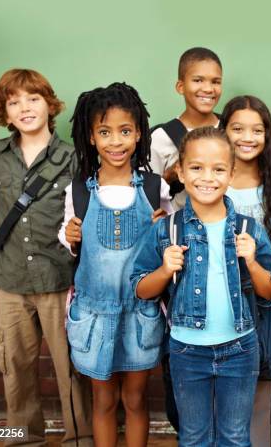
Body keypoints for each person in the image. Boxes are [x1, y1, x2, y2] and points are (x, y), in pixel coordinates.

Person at [132, 126, 271, 447]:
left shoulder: (248, 229)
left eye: (218, 169)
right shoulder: (167, 230)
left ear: (231, 173)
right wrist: (164, 270)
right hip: (186, 351)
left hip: (240, 349)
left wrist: (253, 262)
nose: (207, 177)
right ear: (181, 173)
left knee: (234, 437)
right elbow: (140, 288)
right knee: (194, 437)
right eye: (197, 168)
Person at [0, 68, 93, 446]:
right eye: (14, 102)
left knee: (71, 368)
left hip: (60, 276)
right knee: (15, 367)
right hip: (9, 279)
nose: (24, 108)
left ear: (49, 104)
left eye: (33, 98)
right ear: (5, 112)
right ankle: (23, 438)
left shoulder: (72, 156)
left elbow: (82, 211)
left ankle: (80, 437)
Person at [60, 82, 171, 447]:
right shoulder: (78, 190)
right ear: (91, 137)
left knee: (136, 400)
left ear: (139, 133)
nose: (116, 142)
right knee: (104, 401)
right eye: (104, 132)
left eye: (125, 131)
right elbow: (70, 236)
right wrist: (69, 235)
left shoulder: (155, 189)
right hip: (94, 315)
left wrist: (162, 232)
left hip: (141, 313)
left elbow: (171, 241)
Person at [219, 95, 271, 446]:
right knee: (220, 396)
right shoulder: (210, 182)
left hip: (264, 303)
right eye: (237, 129)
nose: (247, 137)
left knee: (261, 397)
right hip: (218, 301)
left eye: (257, 130)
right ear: (223, 132)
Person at [149, 47, 223, 210]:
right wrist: (169, 176)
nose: (208, 89)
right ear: (180, 86)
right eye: (198, 80)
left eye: (215, 82)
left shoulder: (232, 129)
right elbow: (147, 196)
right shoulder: (162, 137)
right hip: (180, 230)